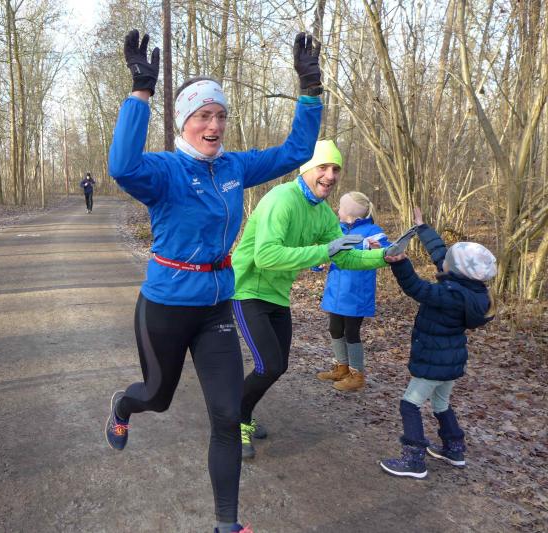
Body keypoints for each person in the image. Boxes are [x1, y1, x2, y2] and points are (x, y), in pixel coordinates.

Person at [103, 27, 322, 533]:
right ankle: (122, 406)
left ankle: (228, 524)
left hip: (217, 309)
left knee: (226, 417)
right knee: (157, 396)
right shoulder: (163, 171)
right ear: (185, 122)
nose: (214, 124)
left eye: (220, 115)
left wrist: (310, 90)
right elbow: (121, 166)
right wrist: (141, 91)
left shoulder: (234, 168)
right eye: (203, 115)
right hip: (165, 306)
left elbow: (296, 151)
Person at [230, 140, 395, 460]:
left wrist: (384, 257)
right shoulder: (282, 200)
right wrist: (324, 251)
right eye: (323, 167)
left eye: (336, 169)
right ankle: (236, 420)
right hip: (248, 289)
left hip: (278, 294)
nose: (330, 175)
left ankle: (241, 413)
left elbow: (343, 257)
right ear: (306, 169)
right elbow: (265, 257)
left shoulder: (322, 214)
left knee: (278, 366)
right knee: (268, 365)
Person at [380, 208, 496, 478]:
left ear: (456, 271)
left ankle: (414, 460)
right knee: (441, 403)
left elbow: (416, 288)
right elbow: (442, 255)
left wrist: (400, 262)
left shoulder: (450, 294)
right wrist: (422, 228)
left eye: (448, 262)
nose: (442, 262)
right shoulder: (472, 289)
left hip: (434, 361)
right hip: (451, 361)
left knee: (409, 404)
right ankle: (454, 449)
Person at [316, 191, 390, 391]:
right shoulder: (337, 230)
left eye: (340, 207)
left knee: (351, 332)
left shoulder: (372, 231)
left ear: (350, 212)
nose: (337, 210)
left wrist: (374, 247)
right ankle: (342, 368)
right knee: (335, 329)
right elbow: (326, 249)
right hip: (336, 291)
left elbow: (388, 249)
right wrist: (317, 261)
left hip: (357, 293)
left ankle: (357, 375)